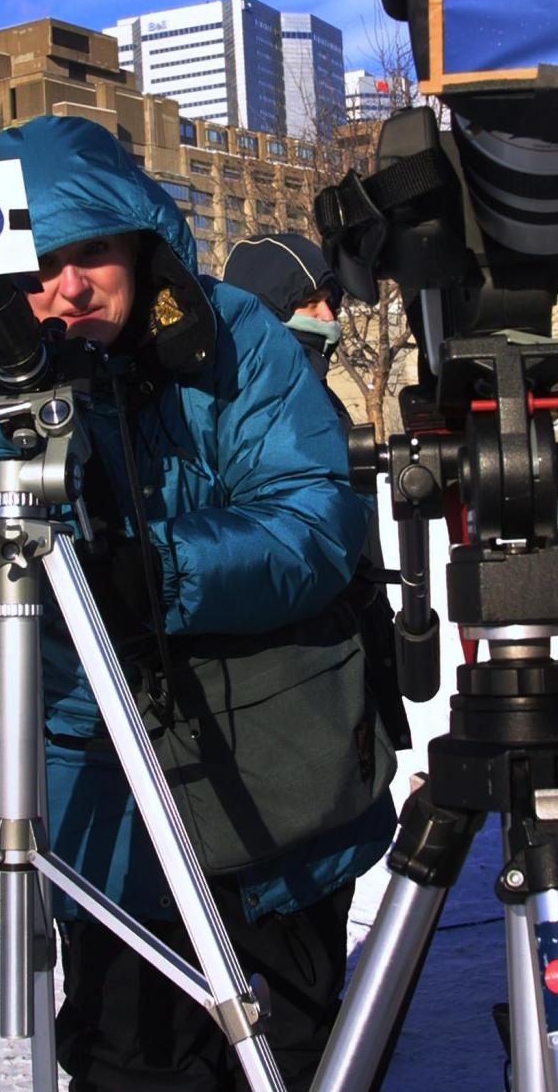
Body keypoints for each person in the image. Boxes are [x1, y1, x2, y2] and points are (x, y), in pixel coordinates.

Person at [0, 115, 399, 1092]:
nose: (66, 286)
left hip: (272, 785)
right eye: (38, 262)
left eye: (91, 251)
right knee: (125, 1067)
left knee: (283, 1058)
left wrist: (158, 572)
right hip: (108, 818)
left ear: (141, 243)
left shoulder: (233, 342)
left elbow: (312, 521)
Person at [222, 233, 411, 756]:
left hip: (352, 637)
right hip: (292, 670)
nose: (327, 316)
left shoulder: (321, 393)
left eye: (331, 300)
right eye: (307, 303)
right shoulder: (239, 398)